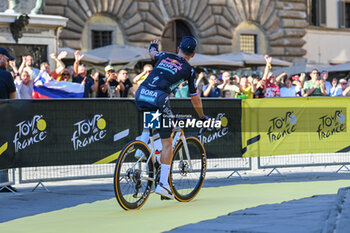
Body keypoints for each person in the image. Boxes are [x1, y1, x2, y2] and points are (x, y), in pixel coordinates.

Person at [135, 36, 207, 199]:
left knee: (153, 115)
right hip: (160, 97)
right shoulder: (189, 70)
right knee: (168, 143)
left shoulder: (165, 56)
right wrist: (201, 116)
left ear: (178, 49)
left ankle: (143, 145)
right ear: (193, 55)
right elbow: (195, 97)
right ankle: (163, 185)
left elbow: (153, 53)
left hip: (141, 93)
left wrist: (153, 45)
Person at [0, 47, 17, 192]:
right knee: (3, 150)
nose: (8, 62)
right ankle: (3, 183)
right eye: (7, 59)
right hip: (3, 119)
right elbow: (14, 98)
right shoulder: (6, 75)